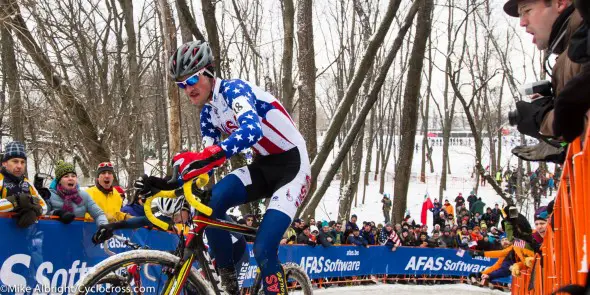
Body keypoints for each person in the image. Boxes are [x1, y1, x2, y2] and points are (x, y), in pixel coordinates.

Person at [136, 40, 312, 295]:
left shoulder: (233, 90)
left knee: (263, 248)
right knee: (213, 200)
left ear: (208, 72)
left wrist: (206, 157)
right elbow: (205, 168)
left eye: (191, 80)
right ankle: (227, 279)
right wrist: (173, 181)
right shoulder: (207, 114)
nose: (188, 89)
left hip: (293, 167)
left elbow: (252, 130)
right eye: (181, 85)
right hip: (263, 166)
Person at [505, 0, 588, 160]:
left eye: (527, 11)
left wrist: (544, 118)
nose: (522, 22)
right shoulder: (570, 53)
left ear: (560, 3)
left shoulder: (582, 49)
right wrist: (563, 150)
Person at [0, 141, 47, 228]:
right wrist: (16, 201)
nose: (19, 166)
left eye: (22, 162)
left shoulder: (27, 182)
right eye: (15, 161)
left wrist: (33, 211)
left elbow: (43, 207)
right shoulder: (1, 179)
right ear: (4, 163)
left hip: (22, 236)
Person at [46, 161, 107, 226]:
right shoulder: (49, 195)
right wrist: (57, 213)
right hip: (54, 234)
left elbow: (99, 214)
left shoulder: (84, 196)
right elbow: (43, 214)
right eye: (66, 176)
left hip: (77, 234)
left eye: (73, 176)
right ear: (59, 181)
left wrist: (103, 226)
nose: (71, 178)